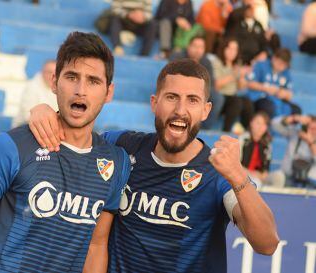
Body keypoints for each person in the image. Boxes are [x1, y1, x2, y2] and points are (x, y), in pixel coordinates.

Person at [29, 59, 279, 273]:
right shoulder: (122, 147)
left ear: (206, 110)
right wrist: (45, 112)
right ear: (154, 103)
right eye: (172, 97)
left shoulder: (218, 173)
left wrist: (238, 176)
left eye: (192, 100)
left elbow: (267, 244)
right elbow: (75, 138)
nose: (180, 110)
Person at [0, 32, 131, 273]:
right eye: (72, 77)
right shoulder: (12, 146)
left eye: (93, 81)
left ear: (108, 92)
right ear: (54, 82)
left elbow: (96, 245)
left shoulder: (115, 162)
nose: (81, 90)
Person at [170, 36, 224, 129]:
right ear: (188, 46)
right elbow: (170, 76)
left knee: (218, 98)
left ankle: (202, 128)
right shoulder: (178, 56)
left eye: (201, 47)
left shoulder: (206, 61)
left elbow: (210, 82)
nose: (197, 50)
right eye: (195, 46)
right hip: (179, 86)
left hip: (199, 88)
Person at [246, 48, 301, 118]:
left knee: (296, 110)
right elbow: (250, 83)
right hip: (261, 98)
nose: (281, 66)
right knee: (269, 106)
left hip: (278, 100)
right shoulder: (261, 65)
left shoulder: (286, 72)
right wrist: (265, 88)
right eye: (280, 63)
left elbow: (289, 94)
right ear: (274, 58)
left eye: (285, 65)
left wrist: (283, 93)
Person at [213, 38, 254, 131]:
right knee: (236, 102)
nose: (232, 52)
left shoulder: (236, 65)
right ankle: (226, 131)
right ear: (224, 48)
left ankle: (248, 131)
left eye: (235, 49)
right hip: (220, 97)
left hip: (232, 97)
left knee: (247, 102)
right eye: (230, 48)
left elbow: (240, 87)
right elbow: (217, 84)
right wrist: (236, 74)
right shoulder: (216, 62)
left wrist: (243, 77)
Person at [268, 114, 316, 188]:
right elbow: (274, 124)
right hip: (288, 176)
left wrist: (310, 142)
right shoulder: (295, 134)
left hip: (310, 182)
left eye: (314, 129)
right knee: (278, 177)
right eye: (308, 127)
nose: (310, 131)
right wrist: (294, 118)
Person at [17, 60, 58, 124]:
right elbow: (28, 116)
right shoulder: (32, 87)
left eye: (56, 73)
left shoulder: (60, 89)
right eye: (49, 72)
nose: (53, 76)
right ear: (42, 72)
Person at [239, 111, 272, 186]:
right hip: (244, 174)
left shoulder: (267, 144)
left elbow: (266, 167)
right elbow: (237, 164)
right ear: (251, 123)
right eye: (258, 123)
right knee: (256, 182)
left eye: (264, 124)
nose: (261, 127)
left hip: (260, 176)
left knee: (279, 177)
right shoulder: (242, 139)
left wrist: (263, 175)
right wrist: (251, 173)